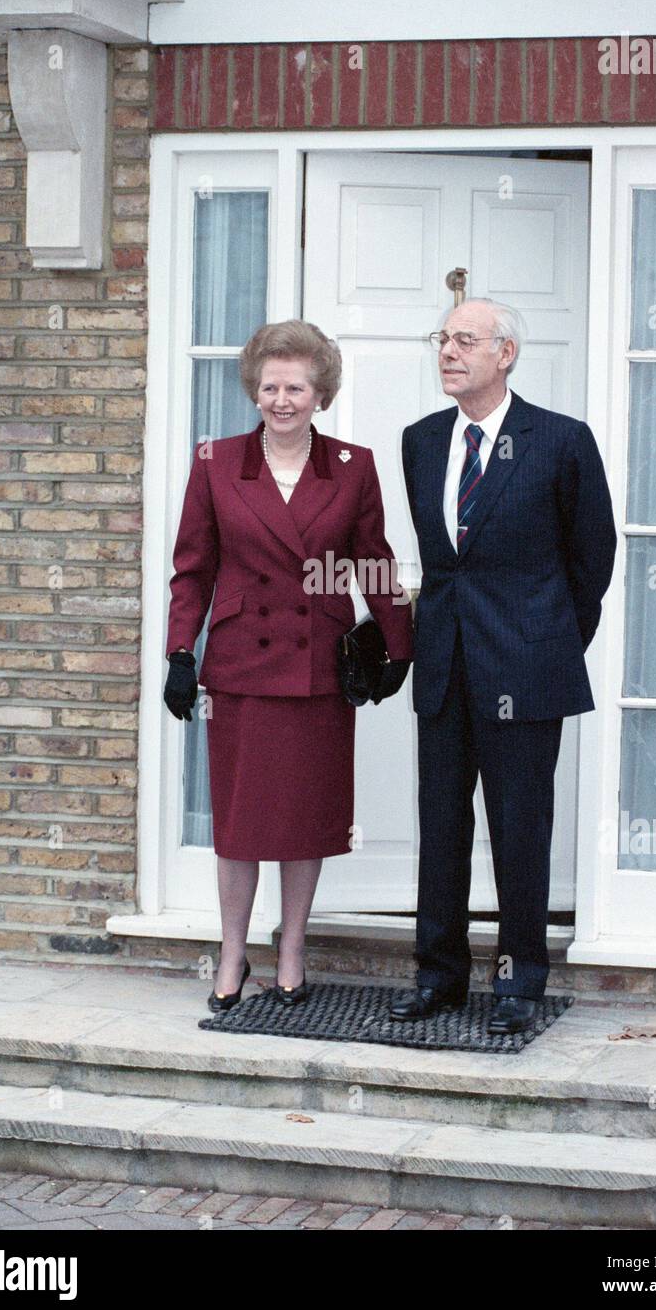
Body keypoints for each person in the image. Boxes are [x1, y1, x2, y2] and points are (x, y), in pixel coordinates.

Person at [163, 319, 413, 1025]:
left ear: (320, 392)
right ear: (254, 390)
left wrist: (398, 646)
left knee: (308, 817)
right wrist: (182, 652)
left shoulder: (353, 465)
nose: (281, 399)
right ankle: (232, 954)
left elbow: (373, 559)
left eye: (295, 387)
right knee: (241, 823)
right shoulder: (215, 461)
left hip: (318, 670)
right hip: (242, 665)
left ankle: (293, 950)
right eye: (269, 386)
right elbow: (193, 567)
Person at [393, 298, 616, 1034]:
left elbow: (592, 559)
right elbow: (441, 562)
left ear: (506, 352)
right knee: (440, 824)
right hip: (444, 666)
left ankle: (519, 982)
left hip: (525, 669)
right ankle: (439, 976)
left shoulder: (558, 441)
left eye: (465, 340)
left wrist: (547, 642)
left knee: (520, 825)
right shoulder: (420, 441)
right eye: (443, 339)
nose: (448, 351)